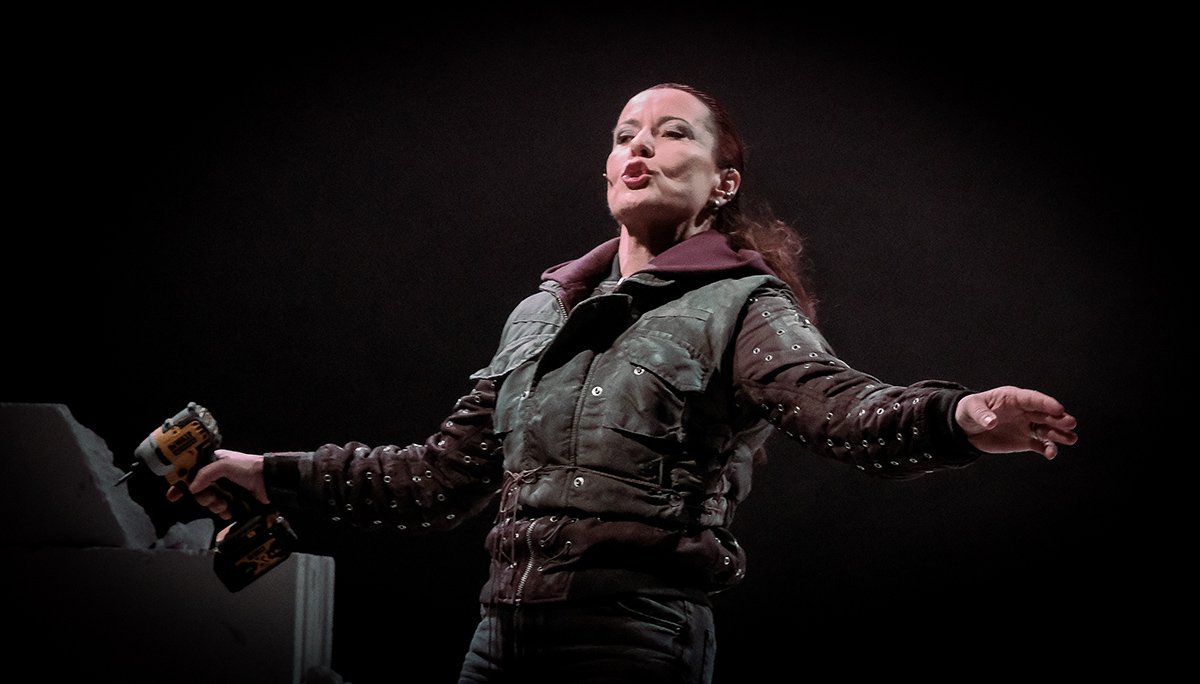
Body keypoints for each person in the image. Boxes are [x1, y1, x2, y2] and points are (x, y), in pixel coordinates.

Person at [169, 82, 1078, 683]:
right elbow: (437, 477)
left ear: (722, 182)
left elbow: (840, 410)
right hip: (496, 641)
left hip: (632, 639)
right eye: (624, 135)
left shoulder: (742, 303)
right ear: (608, 169)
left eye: (673, 133)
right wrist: (268, 473)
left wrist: (959, 416)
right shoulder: (539, 314)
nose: (641, 145)